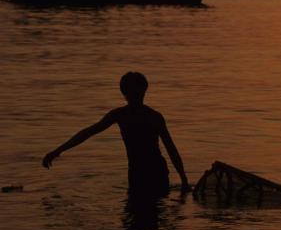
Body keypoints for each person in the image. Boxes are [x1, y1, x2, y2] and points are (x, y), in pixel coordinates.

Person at [42, 72, 190, 198]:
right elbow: (88, 132)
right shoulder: (145, 116)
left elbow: (171, 149)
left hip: (150, 171)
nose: (136, 94)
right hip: (147, 171)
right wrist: (57, 151)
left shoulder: (129, 115)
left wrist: (184, 179)